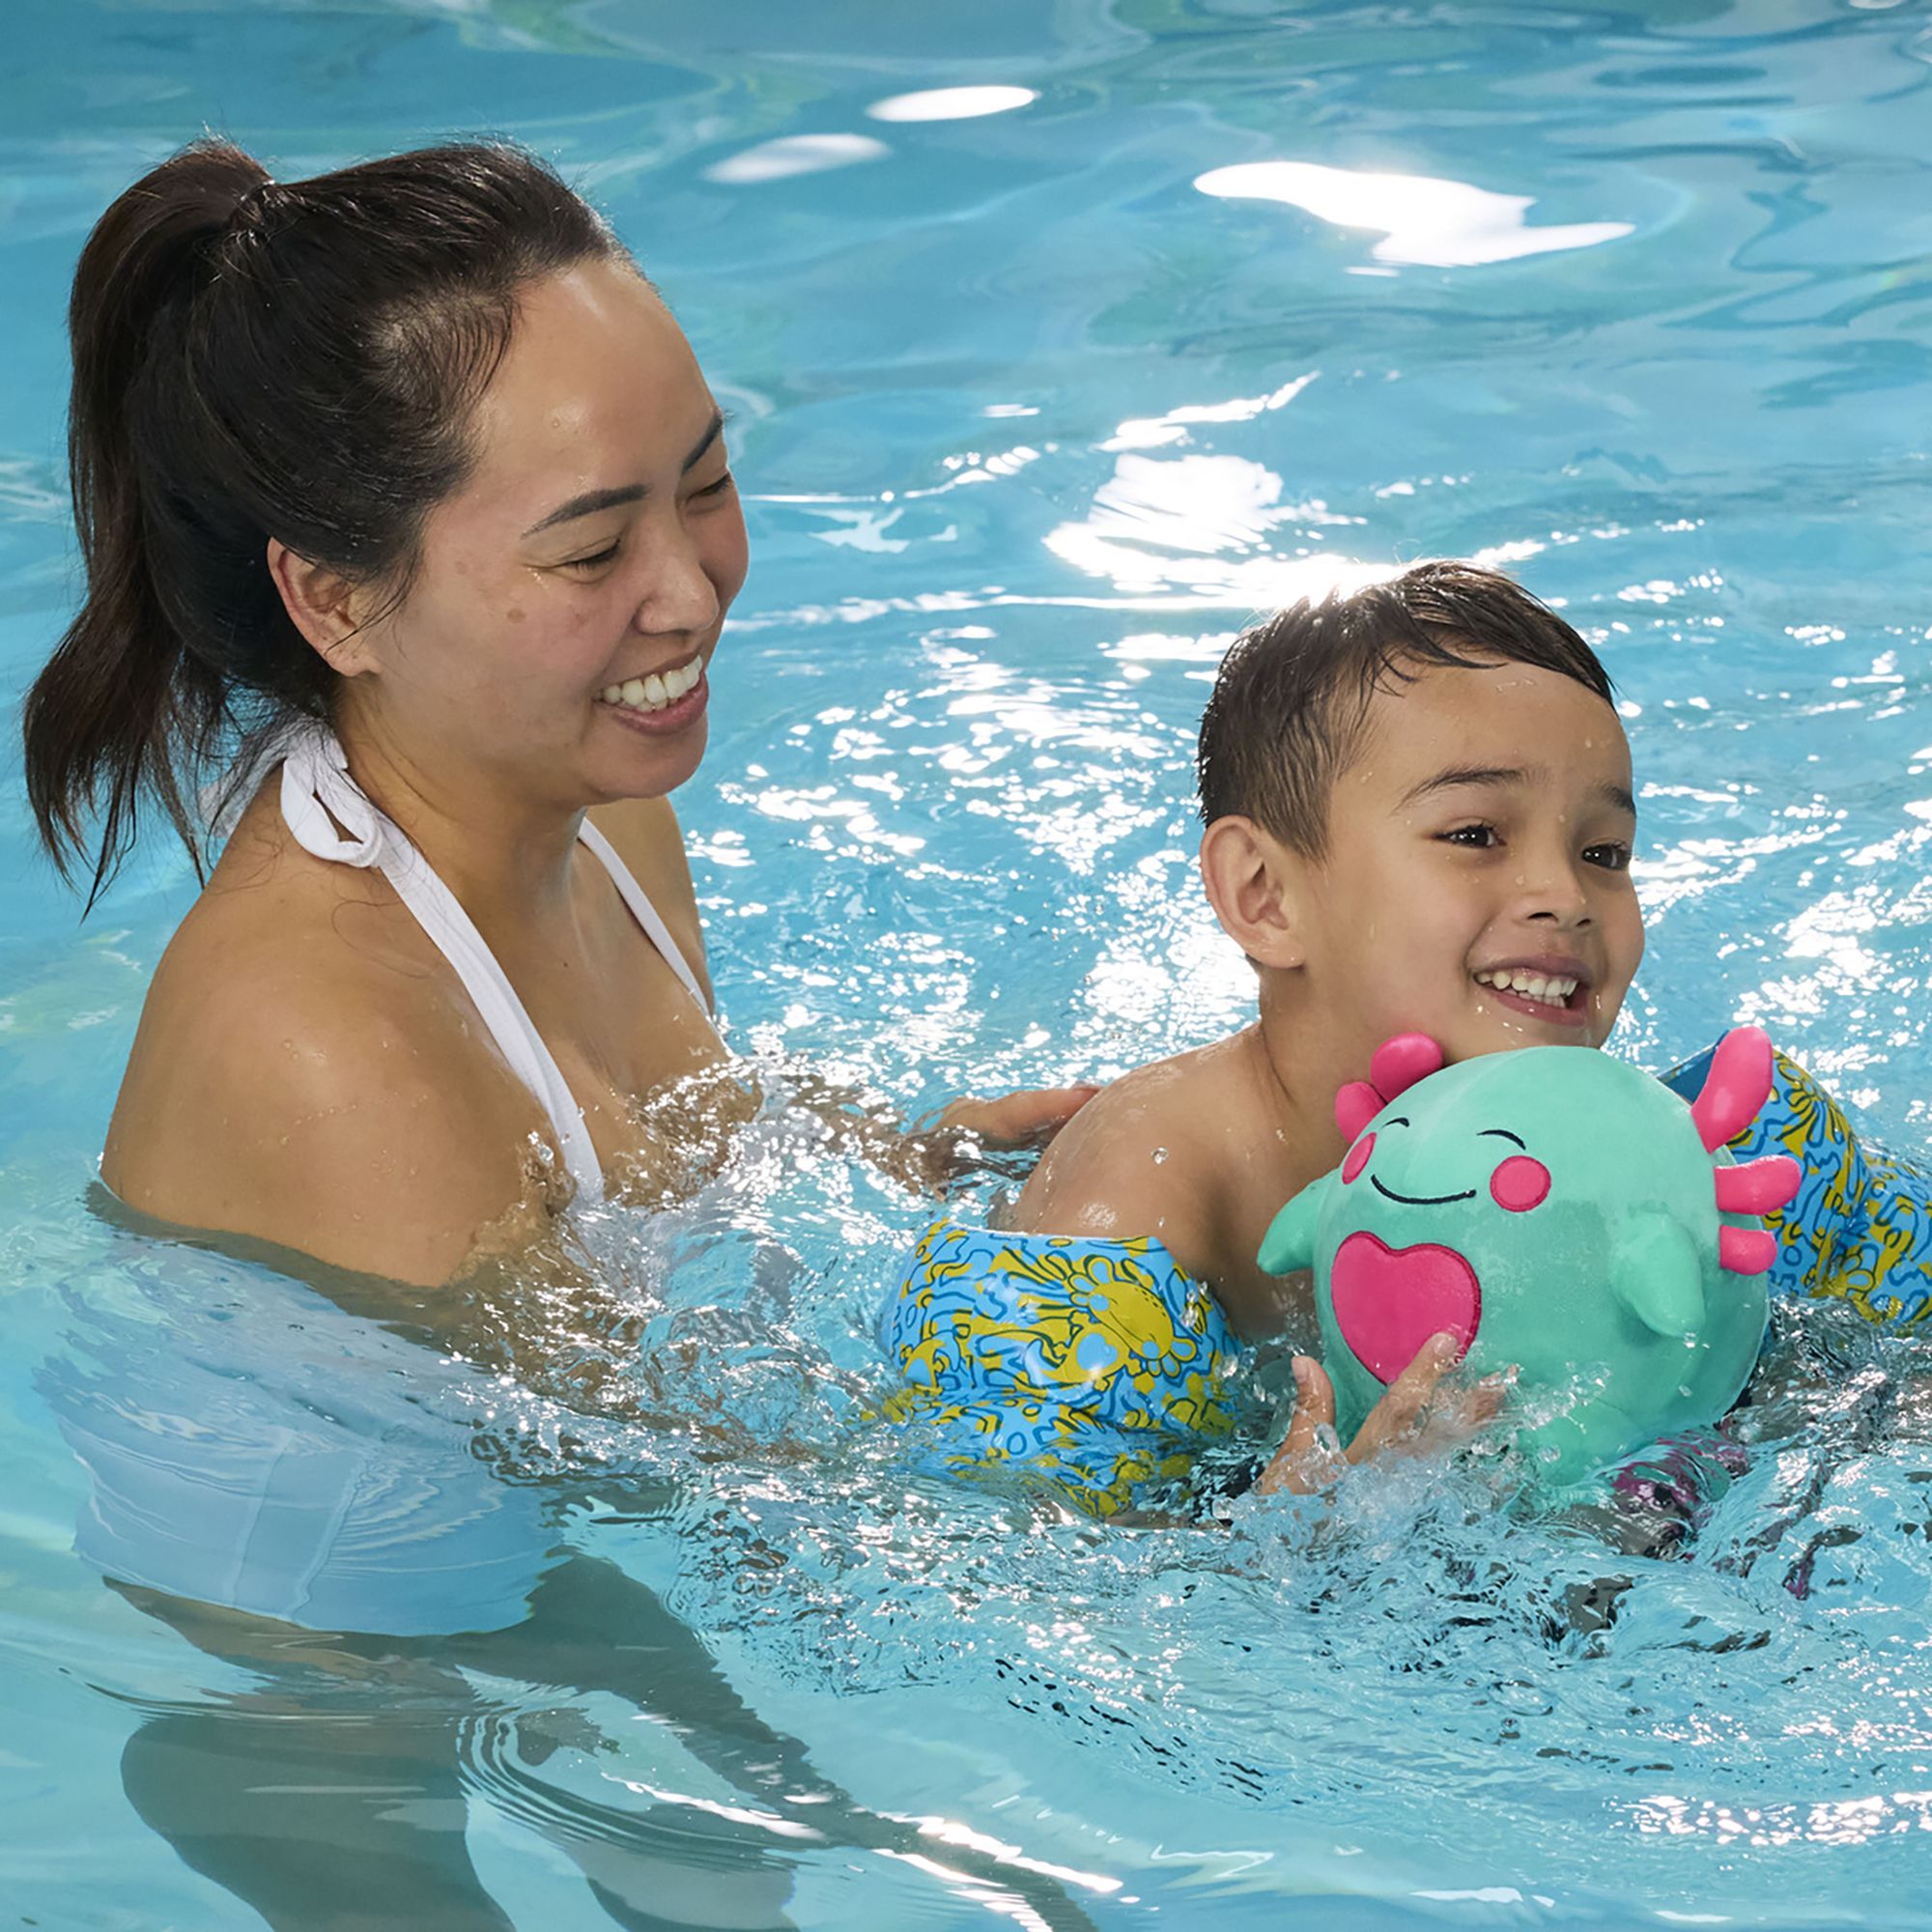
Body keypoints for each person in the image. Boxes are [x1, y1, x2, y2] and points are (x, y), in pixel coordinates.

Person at [21, 138, 1088, 1291]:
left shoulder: (604, 816)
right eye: (590, 551)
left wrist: (933, 1164)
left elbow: (700, 1157)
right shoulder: (329, 1052)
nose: (690, 596)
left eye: (708, 485)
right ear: (337, 601)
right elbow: (627, 1467)